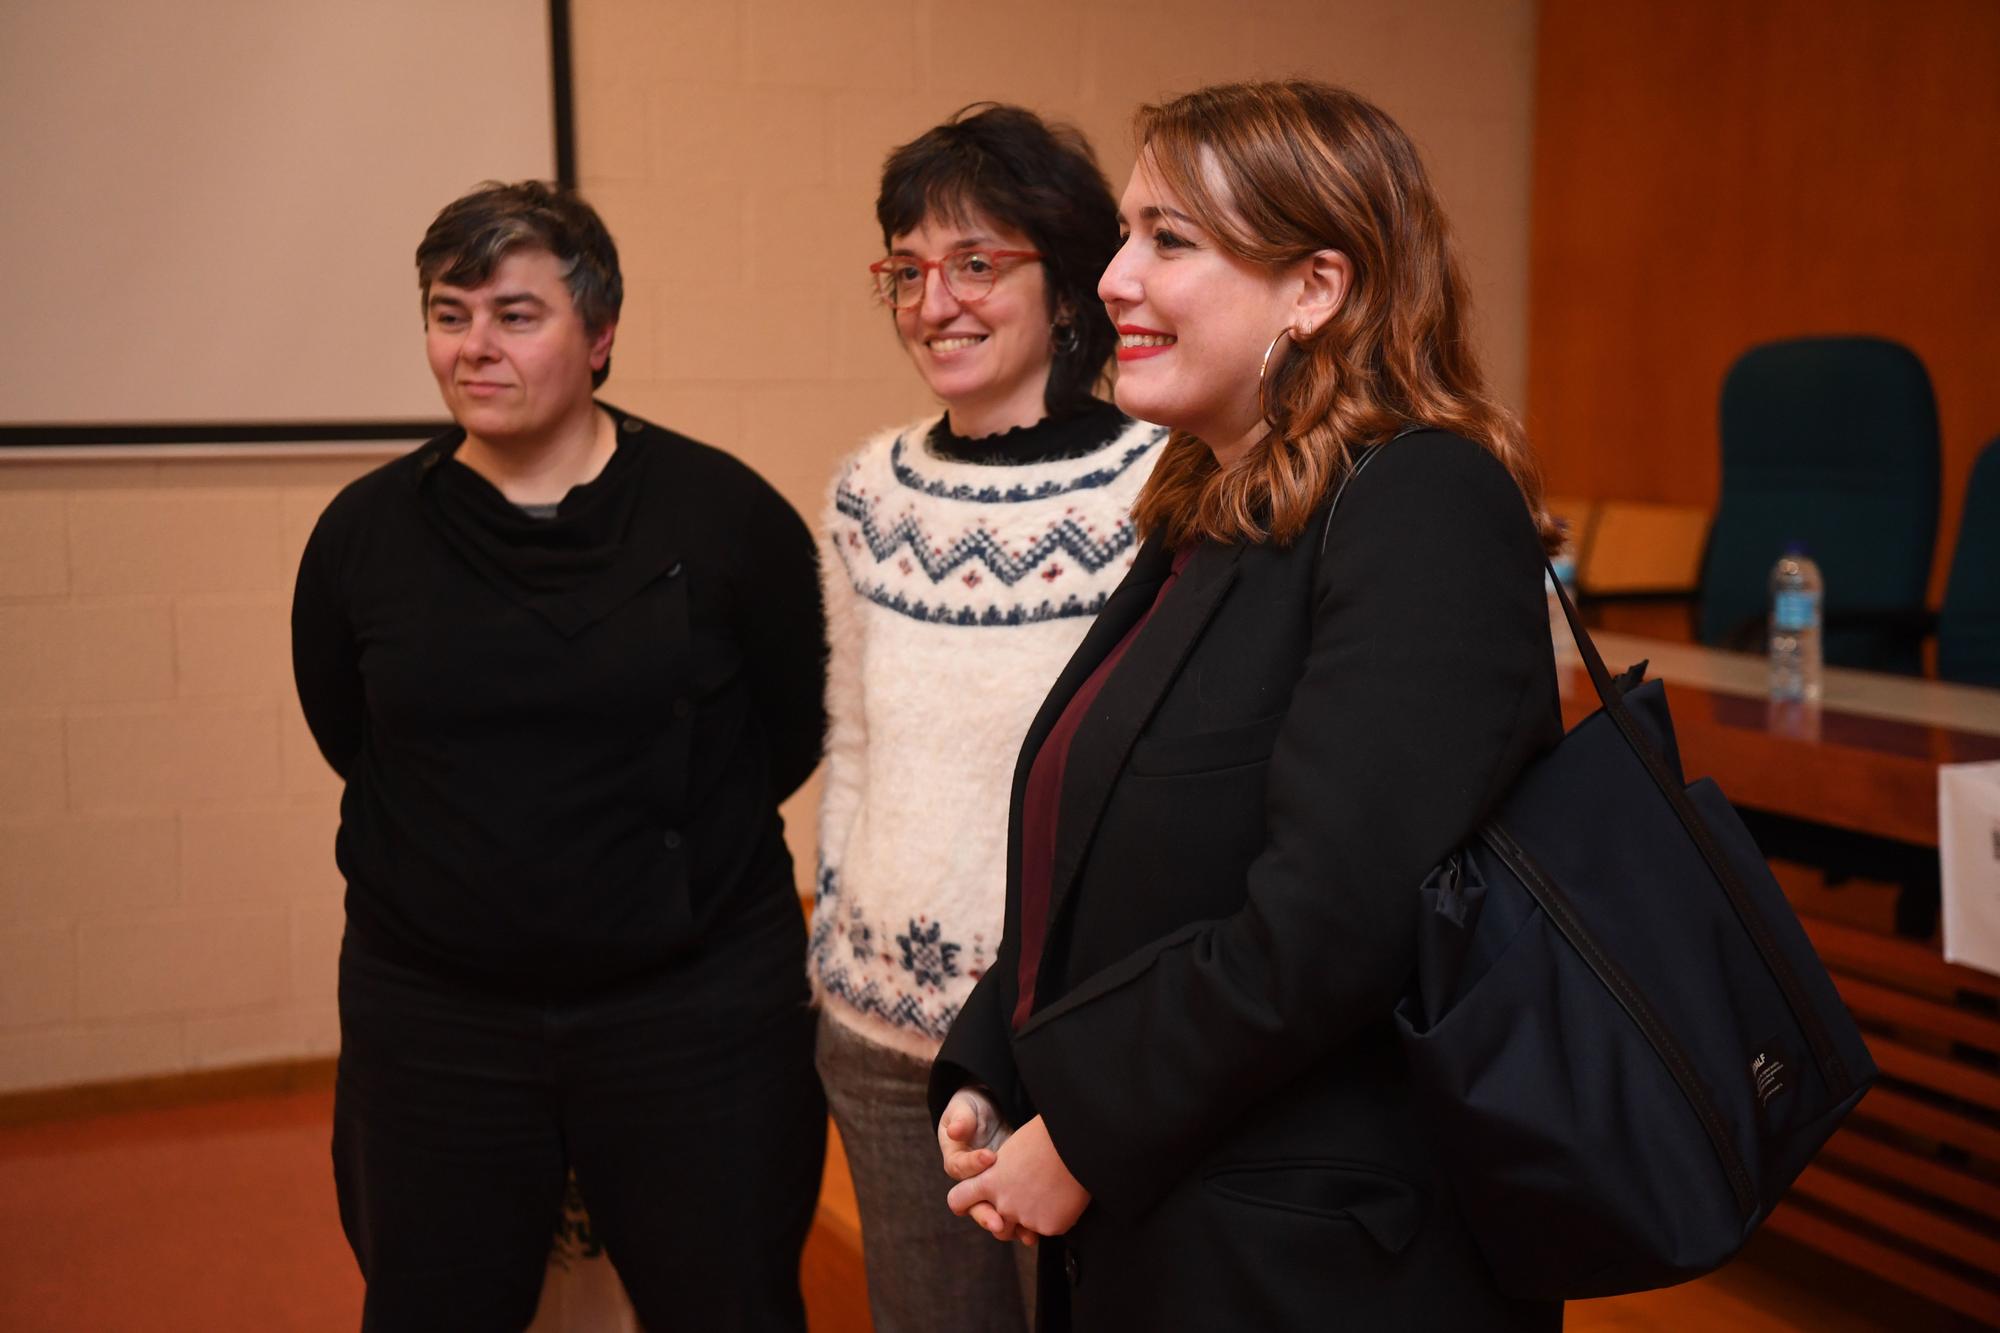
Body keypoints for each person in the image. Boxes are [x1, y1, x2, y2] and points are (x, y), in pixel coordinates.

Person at [928, 81, 1568, 1330]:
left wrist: (1086, 1137)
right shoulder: (1211, 504)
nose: (1112, 278)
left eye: (1168, 239)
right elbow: (1117, 852)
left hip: (1321, 1259)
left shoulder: (1422, 506)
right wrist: (999, 1061)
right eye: (1123, 235)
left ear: (1317, 287)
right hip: (1182, 1212)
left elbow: (1330, 924)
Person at [291, 180, 827, 1332]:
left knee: (728, 1300)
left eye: (515, 314)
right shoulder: (363, 535)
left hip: (696, 1007)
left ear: (600, 334)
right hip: (435, 1011)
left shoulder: (725, 518)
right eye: (450, 311)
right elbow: (354, 735)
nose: (473, 345)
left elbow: (784, 731)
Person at [809, 105, 1164, 1332]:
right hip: (876, 1032)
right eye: (905, 270)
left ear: (1068, 286)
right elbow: (852, 742)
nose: (932, 302)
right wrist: (832, 934)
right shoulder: (866, 491)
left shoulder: (1167, 482)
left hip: (1069, 1041)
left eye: (974, 263)